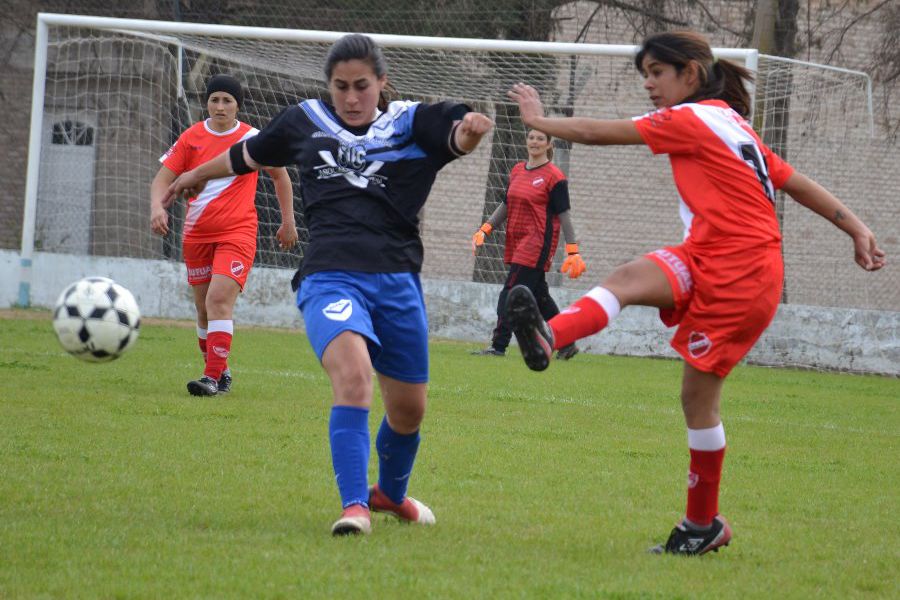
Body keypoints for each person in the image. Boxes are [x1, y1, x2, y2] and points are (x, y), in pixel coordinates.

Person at [505, 31, 885, 555]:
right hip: (707, 253)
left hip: (742, 274)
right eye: (646, 74)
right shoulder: (731, 123)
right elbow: (793, 181)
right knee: (627, 279)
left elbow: (598, 131)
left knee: (697, 400)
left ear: (690, 73)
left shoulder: (693, 118)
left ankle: (702, 525)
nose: (649, 84)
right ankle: (549, 335)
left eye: (657, 72)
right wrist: (857, 227)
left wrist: (537, 121)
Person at [166, 34, 493, 536]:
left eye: (362, 85)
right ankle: (355, 506)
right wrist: (191, 177)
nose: (352, 97)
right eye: (340, 86)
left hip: (398, 280)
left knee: (408, 412)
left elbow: (458, 138)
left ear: (381, 82)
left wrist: (471, 131)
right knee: (355, 377)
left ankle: (390, 494)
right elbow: (244, 156)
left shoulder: (411, 121)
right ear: (329, 86)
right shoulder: (305, 121)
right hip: (330, 276)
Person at [150, 74, 297, 397]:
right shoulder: (191, 137)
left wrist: (288, 221)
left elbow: (280, 177)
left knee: (218, 299)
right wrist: (157, 209)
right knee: (203, 309)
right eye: (214, 99)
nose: (220, 106)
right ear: (206, 102)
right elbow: (162, 179)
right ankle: (220, 370)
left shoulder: (252, 138)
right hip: (196, 235)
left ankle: (212, 378)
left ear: (237, 105)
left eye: (227, 100)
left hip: (238, 232)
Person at [471, 128, 586, 359]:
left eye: (540, 138)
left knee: (510, 293)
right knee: (540, 297)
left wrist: (573, 250)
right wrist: (485, 229)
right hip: (516, 241)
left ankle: (498, 345)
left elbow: (564, 215)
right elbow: (506, 204)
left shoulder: (555, 177)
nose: (534, 142)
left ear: (548, 144)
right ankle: (566, 343)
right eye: (531, 137)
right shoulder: (517, 170)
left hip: (536, 245)